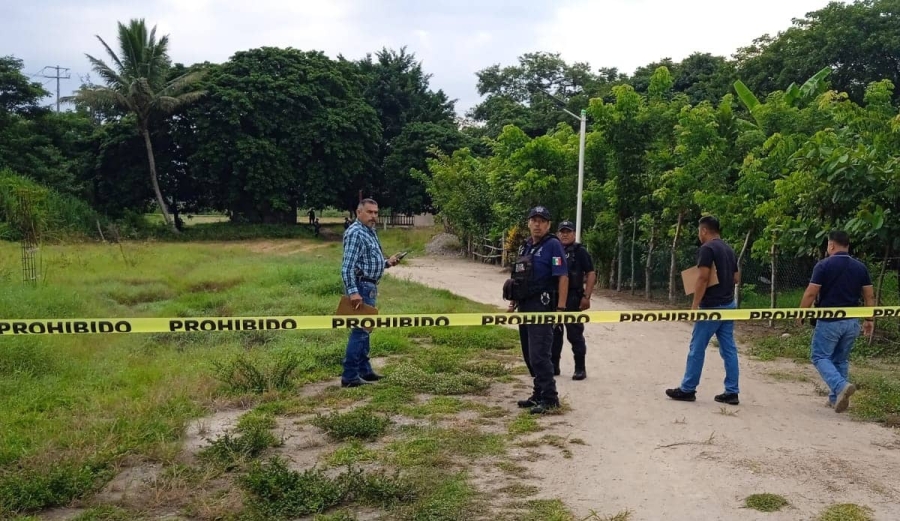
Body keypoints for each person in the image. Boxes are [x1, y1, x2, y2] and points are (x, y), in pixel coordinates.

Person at [666, 216, 741, 405]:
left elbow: (702, 278)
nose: (699, 235)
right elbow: (736, 278)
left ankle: (688, 388)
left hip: (711, 308)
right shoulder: (728, 249)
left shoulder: (707, 249)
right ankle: (732, 391)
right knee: (729, 349)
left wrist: (694, 307)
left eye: (699, 231)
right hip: (729, 305)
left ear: (704, 231)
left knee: (696, 348)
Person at [799, 230, 874, 413]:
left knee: (819, 356)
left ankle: (840, 386)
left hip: (829, 321)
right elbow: (869, 296)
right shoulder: (860, 267)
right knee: (840, 359)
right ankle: (835, 399)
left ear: (831, 245)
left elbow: (811, 292)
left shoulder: (823, 266)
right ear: (847, 246)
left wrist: (801, 312)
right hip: (851, 322)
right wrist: (869, 319)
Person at [506, 206, 569, 414]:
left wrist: (560, 308)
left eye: (542, 221)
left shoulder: (553, 246)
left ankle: (550, 398)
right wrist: (512, 303)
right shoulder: (525, 246)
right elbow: (518, 277)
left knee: (539, 354)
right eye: (534, 220)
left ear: (548, 225)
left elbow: (562, 277)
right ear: (528, 223)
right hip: (525, 305)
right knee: (528, 353)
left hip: (542, 305)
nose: (537, 224)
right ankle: (538, 393)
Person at [340, 198, 401, 387]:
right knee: (360, 331)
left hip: (370, 286)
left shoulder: (369, 232)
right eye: (370, 212)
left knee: (366, 331)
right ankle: (349, 376)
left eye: (376, 212)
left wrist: (387, 263)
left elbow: (366, 262)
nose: (374, 216)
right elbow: (347, 267)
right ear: (359, 212)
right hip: (361, 287)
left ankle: (364, 371)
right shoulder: (356, 233)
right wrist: (353, 292)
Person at [551, 220, 596, 380]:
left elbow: (591, 273)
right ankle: (554, 366)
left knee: (575, 334)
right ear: (557, 234)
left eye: (568, 231)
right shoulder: (554, 249)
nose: (564, 234)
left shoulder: (580, 251)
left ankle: (580, 368)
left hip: (573, 297)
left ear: (574, 234)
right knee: (554, 334)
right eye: (562, 231)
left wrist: (586, 296)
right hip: (554, 297)